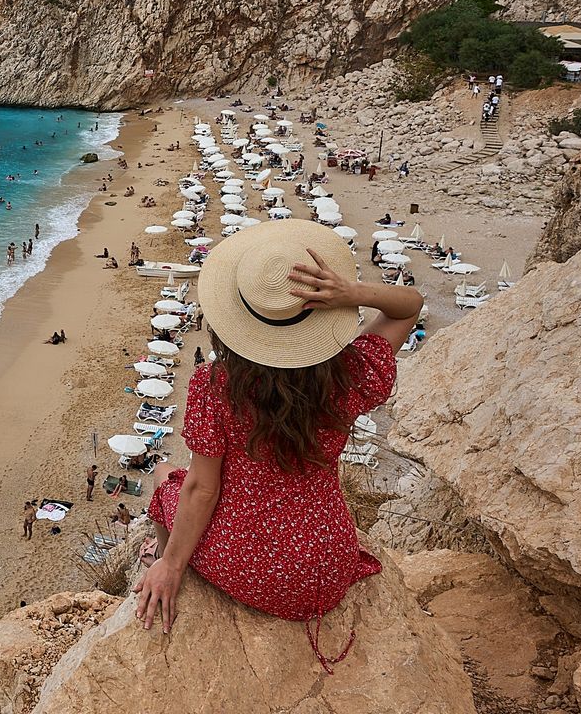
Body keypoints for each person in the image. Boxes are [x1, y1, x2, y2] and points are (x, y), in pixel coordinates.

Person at [134, 219, 421, 672]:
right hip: (329, 564)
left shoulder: (216, 387)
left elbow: (202, 490)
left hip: (257, 572)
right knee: (179, 482)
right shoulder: (348, 376)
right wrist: (352, 294)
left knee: (170, 483)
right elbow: (409, 307)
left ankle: (166, 566)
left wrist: (171, 561)